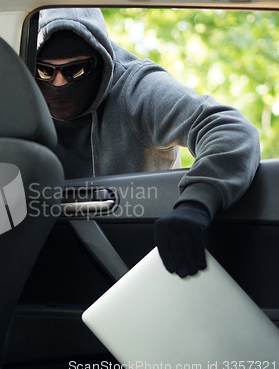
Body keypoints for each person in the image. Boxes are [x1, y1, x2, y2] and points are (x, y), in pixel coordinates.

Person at [35, 8, 261, 278]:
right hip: (46, 260)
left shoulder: (136, 90)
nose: (59, 83)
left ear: (100, 58)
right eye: (45, 71)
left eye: (75, 70)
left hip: (137, 263)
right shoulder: (18, 97)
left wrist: (196, 205)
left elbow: (231, 129)